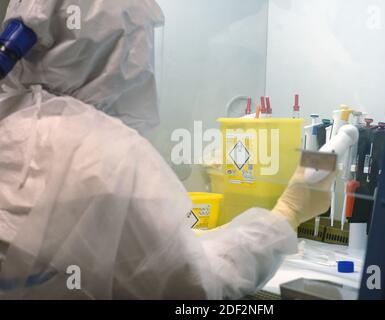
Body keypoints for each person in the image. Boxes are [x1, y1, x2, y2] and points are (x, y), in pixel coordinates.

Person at [0, 0, 334, 299]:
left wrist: (202, 241)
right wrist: (286, 216)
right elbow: (198, 289)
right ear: (124, 44)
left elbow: (145, 259)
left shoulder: (11, 122)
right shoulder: (103, 156)